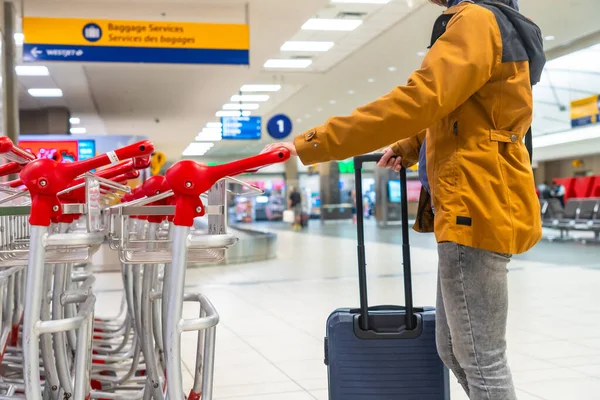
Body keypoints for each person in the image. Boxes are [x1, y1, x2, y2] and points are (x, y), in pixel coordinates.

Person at [262, 0, 544, 399]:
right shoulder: (493, 18)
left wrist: (310, 144)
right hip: (473, 201)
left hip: (477, 205)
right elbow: (459, 108)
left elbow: (419, 101)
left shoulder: (476, 20)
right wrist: (411, 145)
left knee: (482, 358)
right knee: (453, 351)